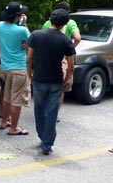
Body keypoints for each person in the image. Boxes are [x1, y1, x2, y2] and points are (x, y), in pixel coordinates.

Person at [27, 9, 76, 155]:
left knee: (39, 109)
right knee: (52, 112)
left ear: (50, 19)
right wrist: (66, 80)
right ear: (65, 24)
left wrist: (30, 75)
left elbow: (29, 59)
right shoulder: (66, 40)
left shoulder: (36, 35)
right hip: (56, 81)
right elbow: (71, 66)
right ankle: (47, 144)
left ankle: (43, 137)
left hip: (39, 78)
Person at [41, 2, 81, 120]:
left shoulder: (47, 23)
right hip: (61, 60)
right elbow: (78, 38)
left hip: (46, 59)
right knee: (60, 88)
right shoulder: (70, 23)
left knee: (45, 85)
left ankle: (44, 110)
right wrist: (70, 48)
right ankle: (54, 113)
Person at [0, 2, 31, 135]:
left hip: (5, 68)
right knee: (16, 99)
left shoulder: (0, 25)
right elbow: (33, 42)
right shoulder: (21, 30)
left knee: (7, 97)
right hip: (19, 68)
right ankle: (14, 128)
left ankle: (4, 122)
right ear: (17, 15)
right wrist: (24, 23)